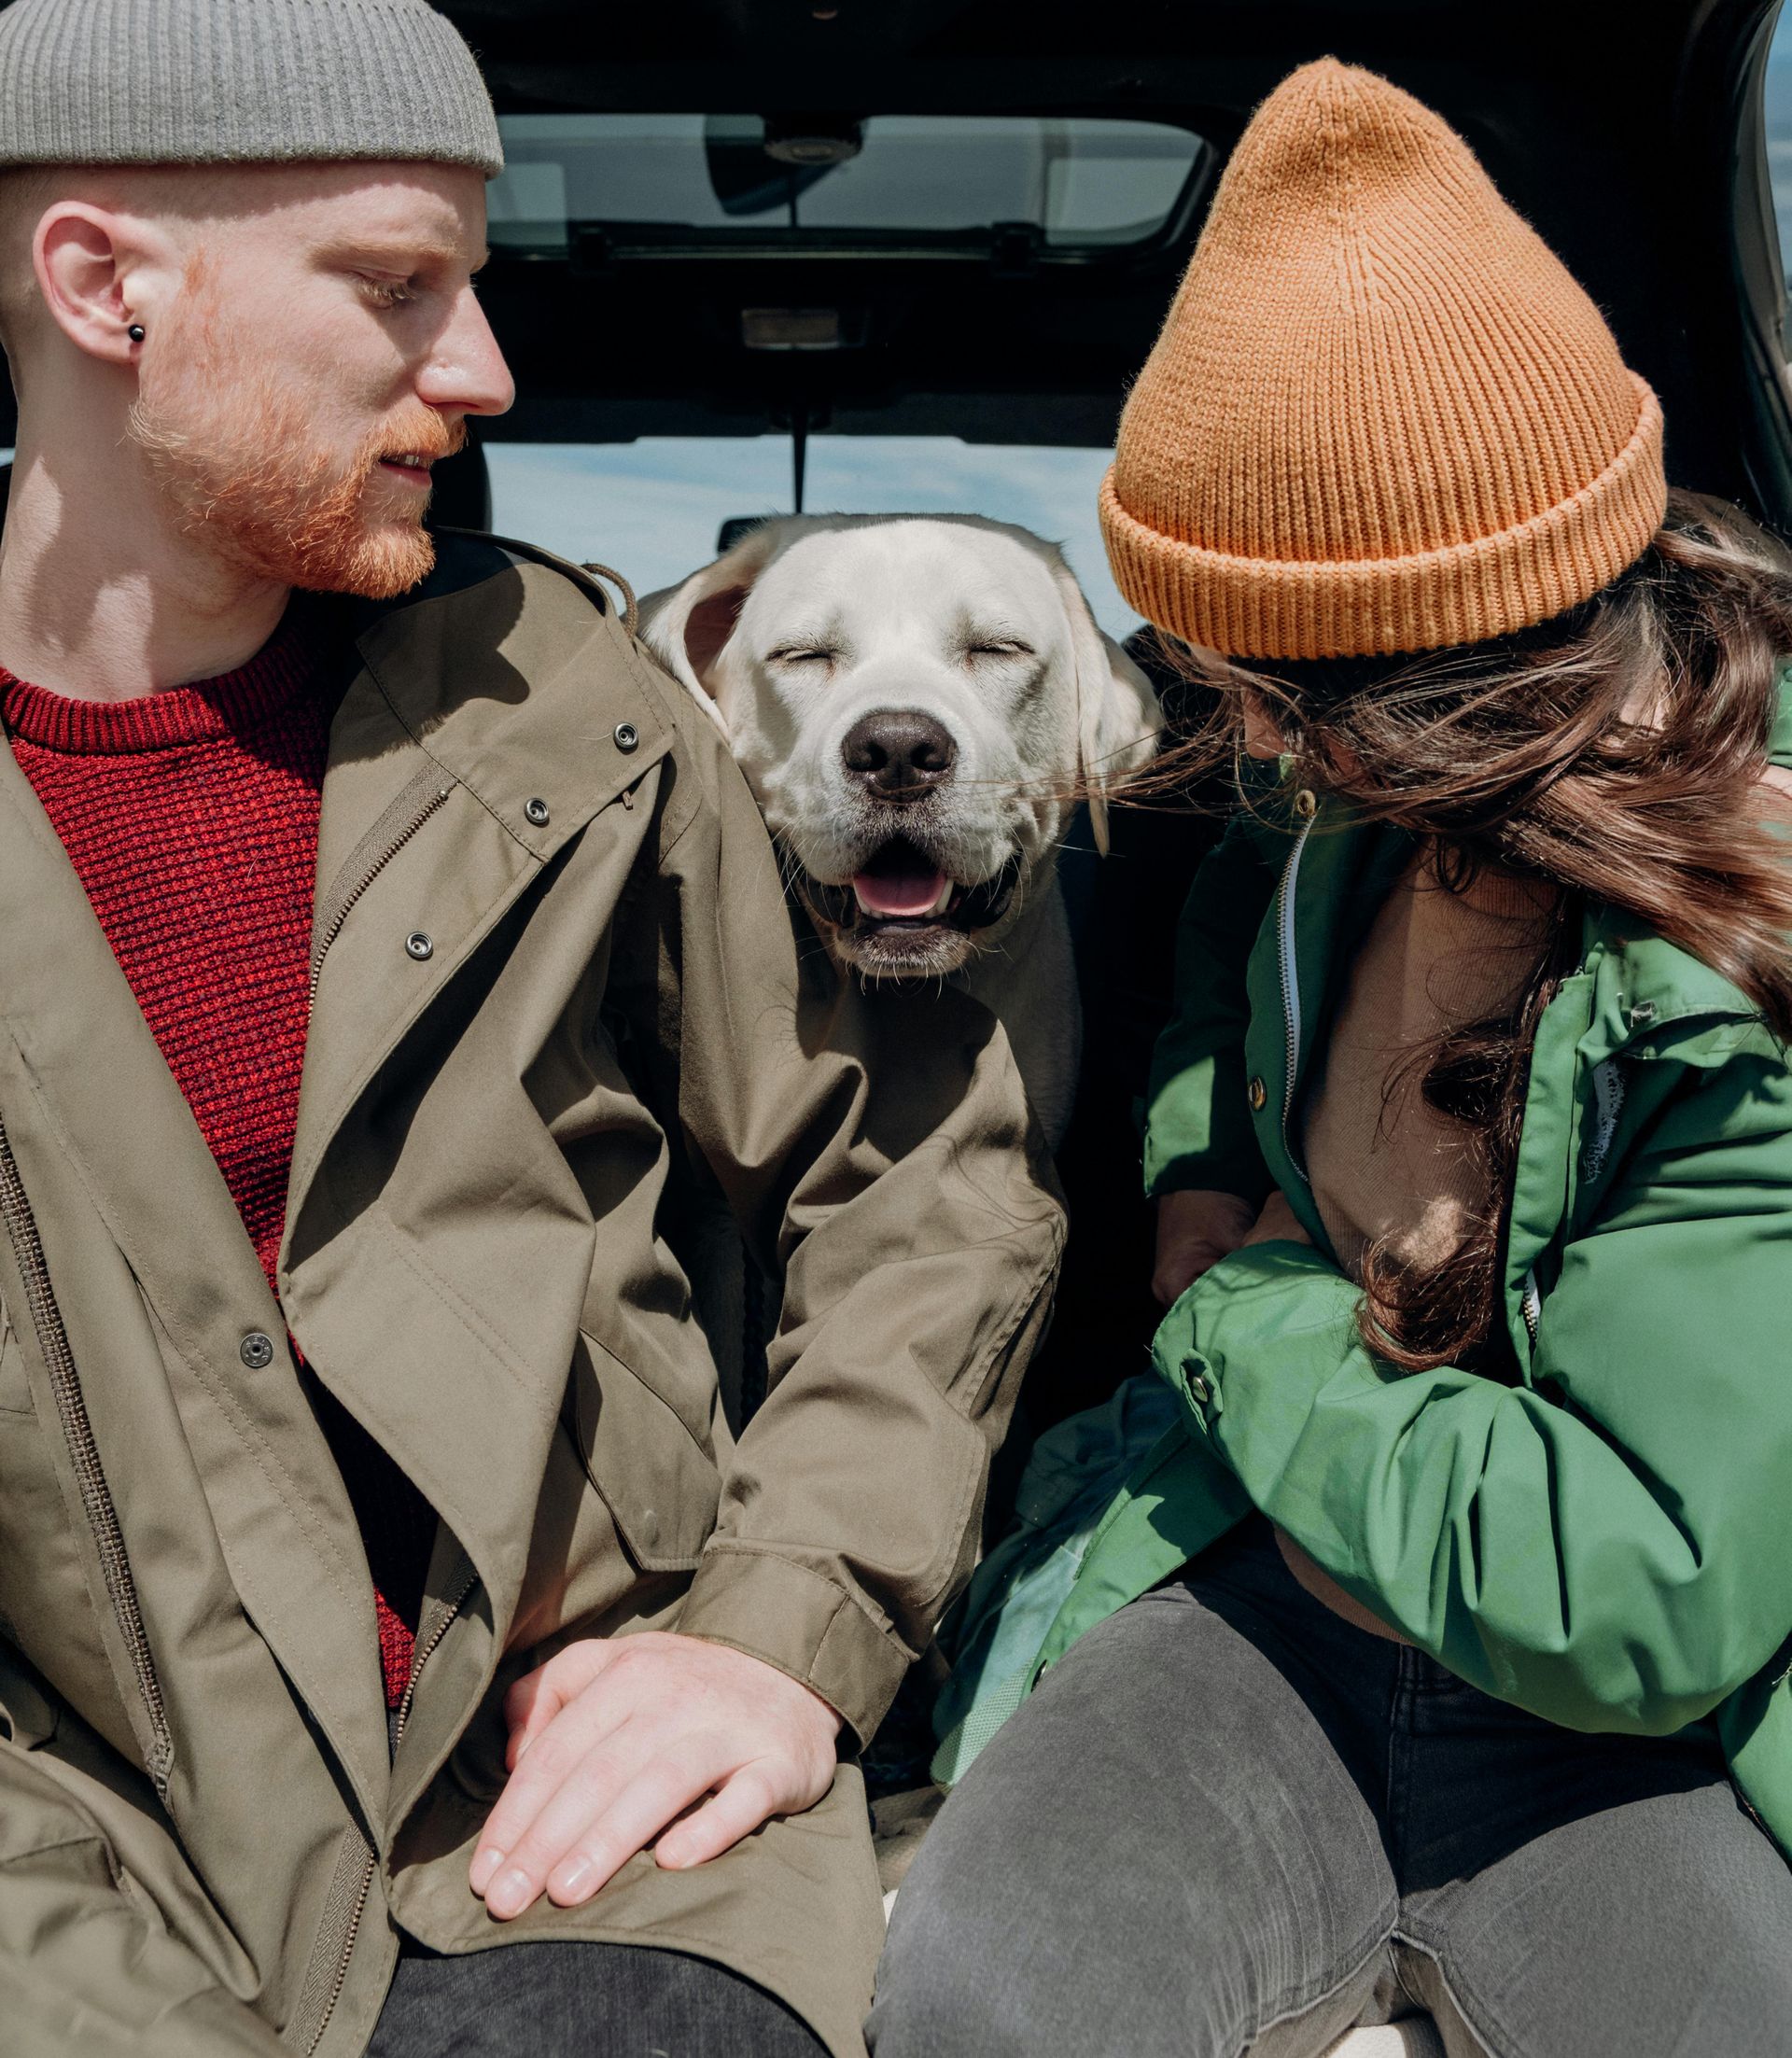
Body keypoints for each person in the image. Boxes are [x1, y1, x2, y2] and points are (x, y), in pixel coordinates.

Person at [0, 3, 1062, 2054]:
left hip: (590, 1797)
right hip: (75, 1854)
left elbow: (915, 1160)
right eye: (398, 286)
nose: (486, 369)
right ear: (105, 282)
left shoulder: (568, 709)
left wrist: (785, 1624)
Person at [870, 59, 1792, 2058]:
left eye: (1267, 696)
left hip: (1628, 1715)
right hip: (1265, 1580)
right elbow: (1240, 920)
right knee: (978, 1998)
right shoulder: (1357, 805)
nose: (1254, 749)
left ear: (1425, 671)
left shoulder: (1748, 974)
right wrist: (1205, 1164)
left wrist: (1238, 1315)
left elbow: (1633, 1587)